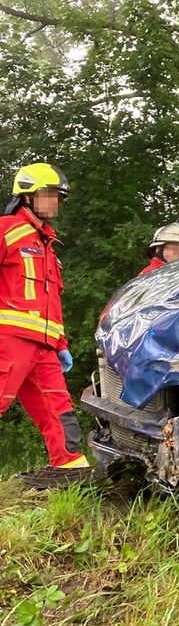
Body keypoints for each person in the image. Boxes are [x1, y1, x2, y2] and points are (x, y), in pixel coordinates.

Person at [0, 163, 90, 472]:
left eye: (58, 196)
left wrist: (61, 344)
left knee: (59, 409)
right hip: (9, 341)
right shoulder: (6, 229)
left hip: (45, 347)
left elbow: (52, 303)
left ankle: (71, 471)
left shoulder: (49, 247)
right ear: (27, 196)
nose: (55, 202)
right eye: (48, 194)